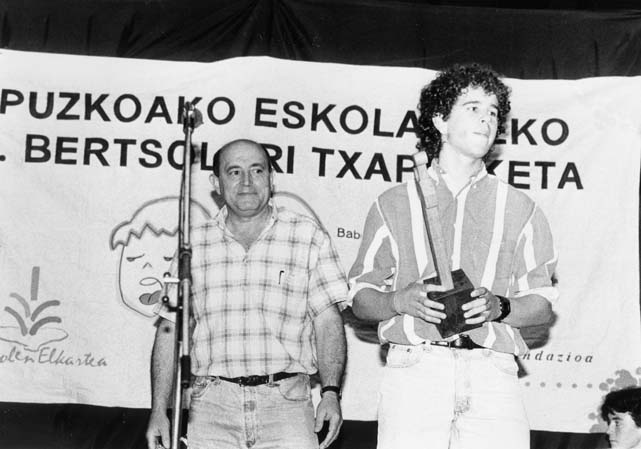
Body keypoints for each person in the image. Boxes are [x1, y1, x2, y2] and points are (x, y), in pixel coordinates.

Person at [348, 64, 558, 449]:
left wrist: (500, 307)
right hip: (415, 371)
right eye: (473, 108)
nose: (487, 119)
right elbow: (360, 299)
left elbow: (542, 306)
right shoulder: (392, 203)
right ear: (440, 120)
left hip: (493, 373)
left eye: (493, 111)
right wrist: (398, 300)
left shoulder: (521, 208)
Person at [145, 139, 347, 449]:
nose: (247, 182)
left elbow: (328, 322)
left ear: (271, 178)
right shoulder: (193, 245)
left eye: (257, 170)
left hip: (287, 408)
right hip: (211, 408)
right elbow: (170, 329)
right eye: (234, 172)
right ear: (217, 183)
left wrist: (331, 392)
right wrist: (159, 409)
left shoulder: (307, 235)